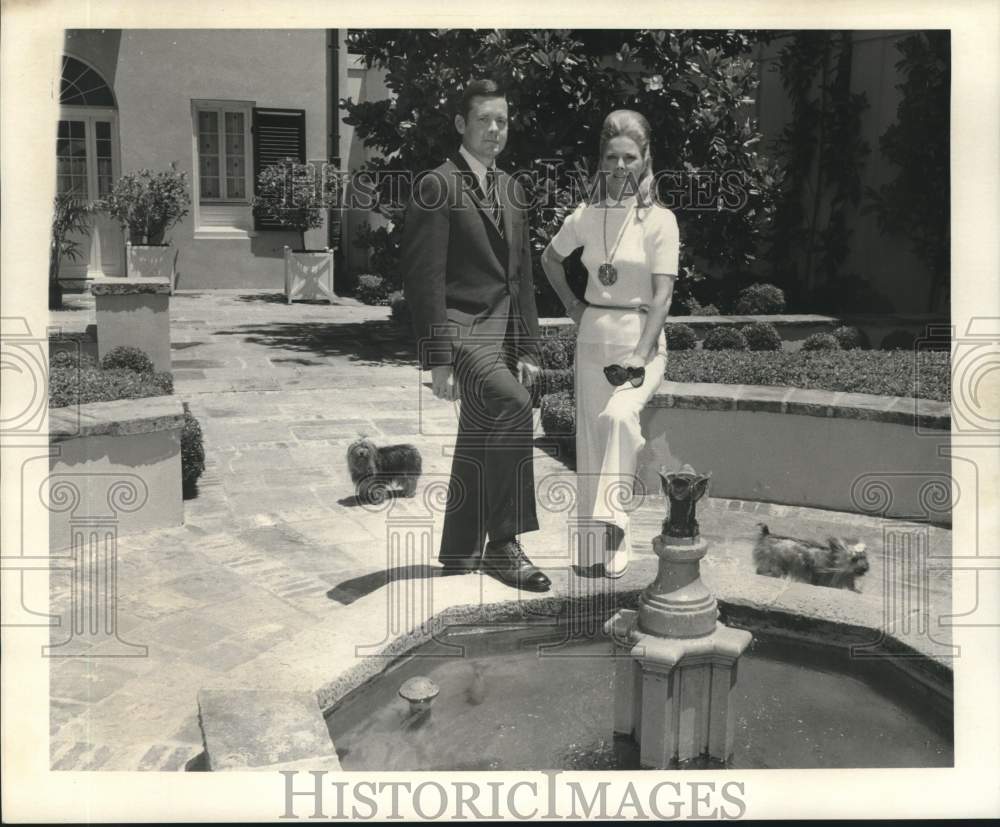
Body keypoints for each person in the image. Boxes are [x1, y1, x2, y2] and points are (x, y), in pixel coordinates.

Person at [401, 79, 551, 592]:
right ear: (461, 125)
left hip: (505, 331)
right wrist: (439, 360)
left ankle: (461, 548)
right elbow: (424, 280)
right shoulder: (436, 185)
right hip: (463, 331)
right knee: (511, 404)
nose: (494, 129)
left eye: (502, 121)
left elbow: (522, 276)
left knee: (483, 425)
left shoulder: (512, 189)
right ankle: (504, 544)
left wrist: (530, 346)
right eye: (484, 119)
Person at [540, 110, 679, 578]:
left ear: (644, 161)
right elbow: (549, 259)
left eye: (630, 157)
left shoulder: (661, 221)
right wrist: (573, 307)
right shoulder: (585, 216)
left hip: (641, 341)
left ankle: (617, 531)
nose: (621, 166)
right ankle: (590, 540)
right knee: (592, 439)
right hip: (592, 337)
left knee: (619, 419)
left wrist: (641, 353)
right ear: (600, 161)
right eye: (612, 157)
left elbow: (662, 299)